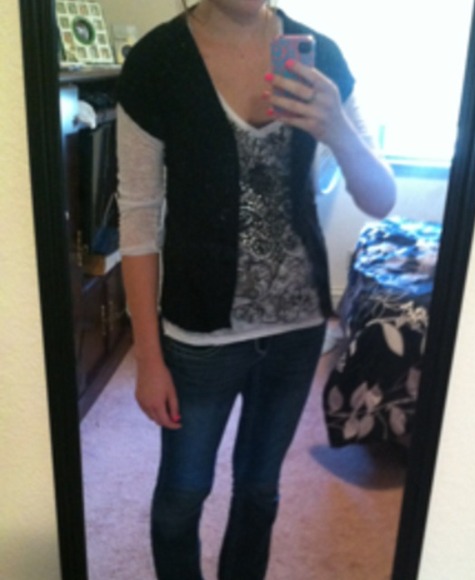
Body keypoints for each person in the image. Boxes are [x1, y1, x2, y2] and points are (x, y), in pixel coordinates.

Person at [116, 1, 396, 578]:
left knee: (260, 491)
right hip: (200, 336)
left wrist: (337, 129)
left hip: (297, 331)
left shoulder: (321, 57)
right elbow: (139, 221)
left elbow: (381, 198)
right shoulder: (157, 63)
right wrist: (147, 357)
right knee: (182, 496)